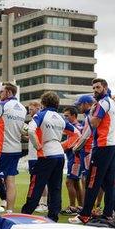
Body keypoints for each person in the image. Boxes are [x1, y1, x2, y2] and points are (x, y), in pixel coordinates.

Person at [21, 91, 80, 221]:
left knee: (36, 185)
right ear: (57, 103)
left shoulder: (40, 115)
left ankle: (26, 213)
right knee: (55, 187)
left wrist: (37, 145)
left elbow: (31, 130)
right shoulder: (61, 118)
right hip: (59, 154)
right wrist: (63, 146)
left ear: (43, 103)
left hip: (46, 154)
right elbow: (77, 134)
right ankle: (53, 216)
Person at [70, 78, 115, 224]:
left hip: (103, 145)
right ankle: (108, 214)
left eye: (98, 87)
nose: (95, 90)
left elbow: (94, 123)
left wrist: (91, 113)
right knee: (109, 182)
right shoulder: (113, 104)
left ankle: (84, 215)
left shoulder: (102, 103)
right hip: (112, 144)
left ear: (105, 87)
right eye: (94, 88)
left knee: (92, 180)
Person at [0, 82, 26, 212]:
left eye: (1, 92)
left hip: (1, 149)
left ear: (8, 92)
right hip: (16, 149)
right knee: (10, 181)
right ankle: (10, 211)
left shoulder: (2, 105)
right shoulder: (23, 108)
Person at [25, 101, 48, 213]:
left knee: (38, 180)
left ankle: (43, 203)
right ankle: (41, 202)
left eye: (31, 109)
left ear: (38, 107)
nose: (30, 111)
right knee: (36, 180)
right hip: (32, 155)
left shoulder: (37, 119)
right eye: (29, 110)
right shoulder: (35, 120)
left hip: (36, 155)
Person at [62, 106, 84, 214]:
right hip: (74, 158)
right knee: (75, 182)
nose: (65, 118)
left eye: (67, 116)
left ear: (74, 116)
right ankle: (80, 207)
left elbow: (74, 144)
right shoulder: (75, 127)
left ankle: (72, 207)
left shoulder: (77, 128)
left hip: (76, 158)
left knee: (69, 182)